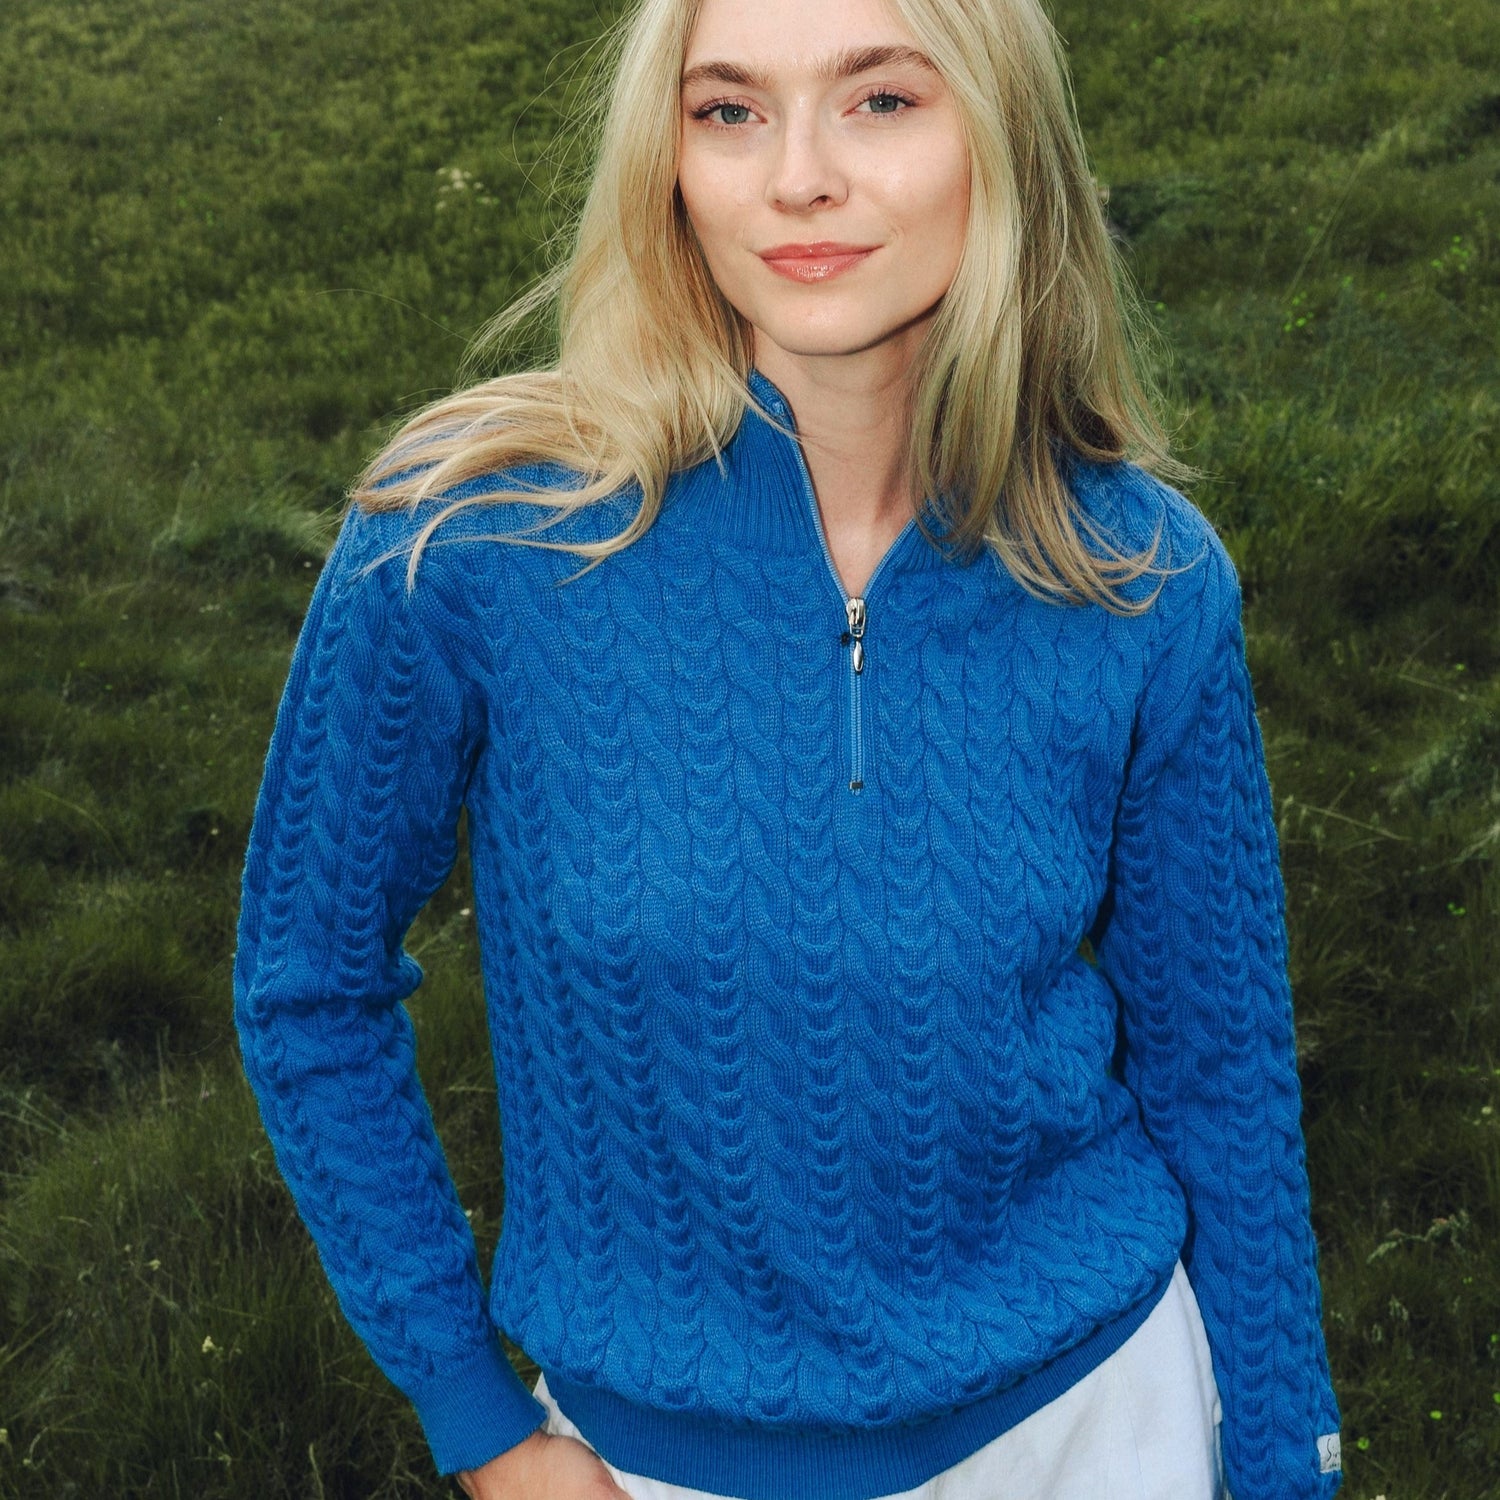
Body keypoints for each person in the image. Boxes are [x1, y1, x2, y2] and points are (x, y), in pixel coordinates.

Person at [231, 0, 1344, 1495]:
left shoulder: (1140, 574)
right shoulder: (469, 541)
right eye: (729, 111)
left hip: (1100, 1420)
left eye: (881, 101)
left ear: (1002, 137)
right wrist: (479, 1420)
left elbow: (1222, 1071)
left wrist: (1280, 1463)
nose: (799, 177)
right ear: (667, 160)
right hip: (657, 1463)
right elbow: (306, 987)